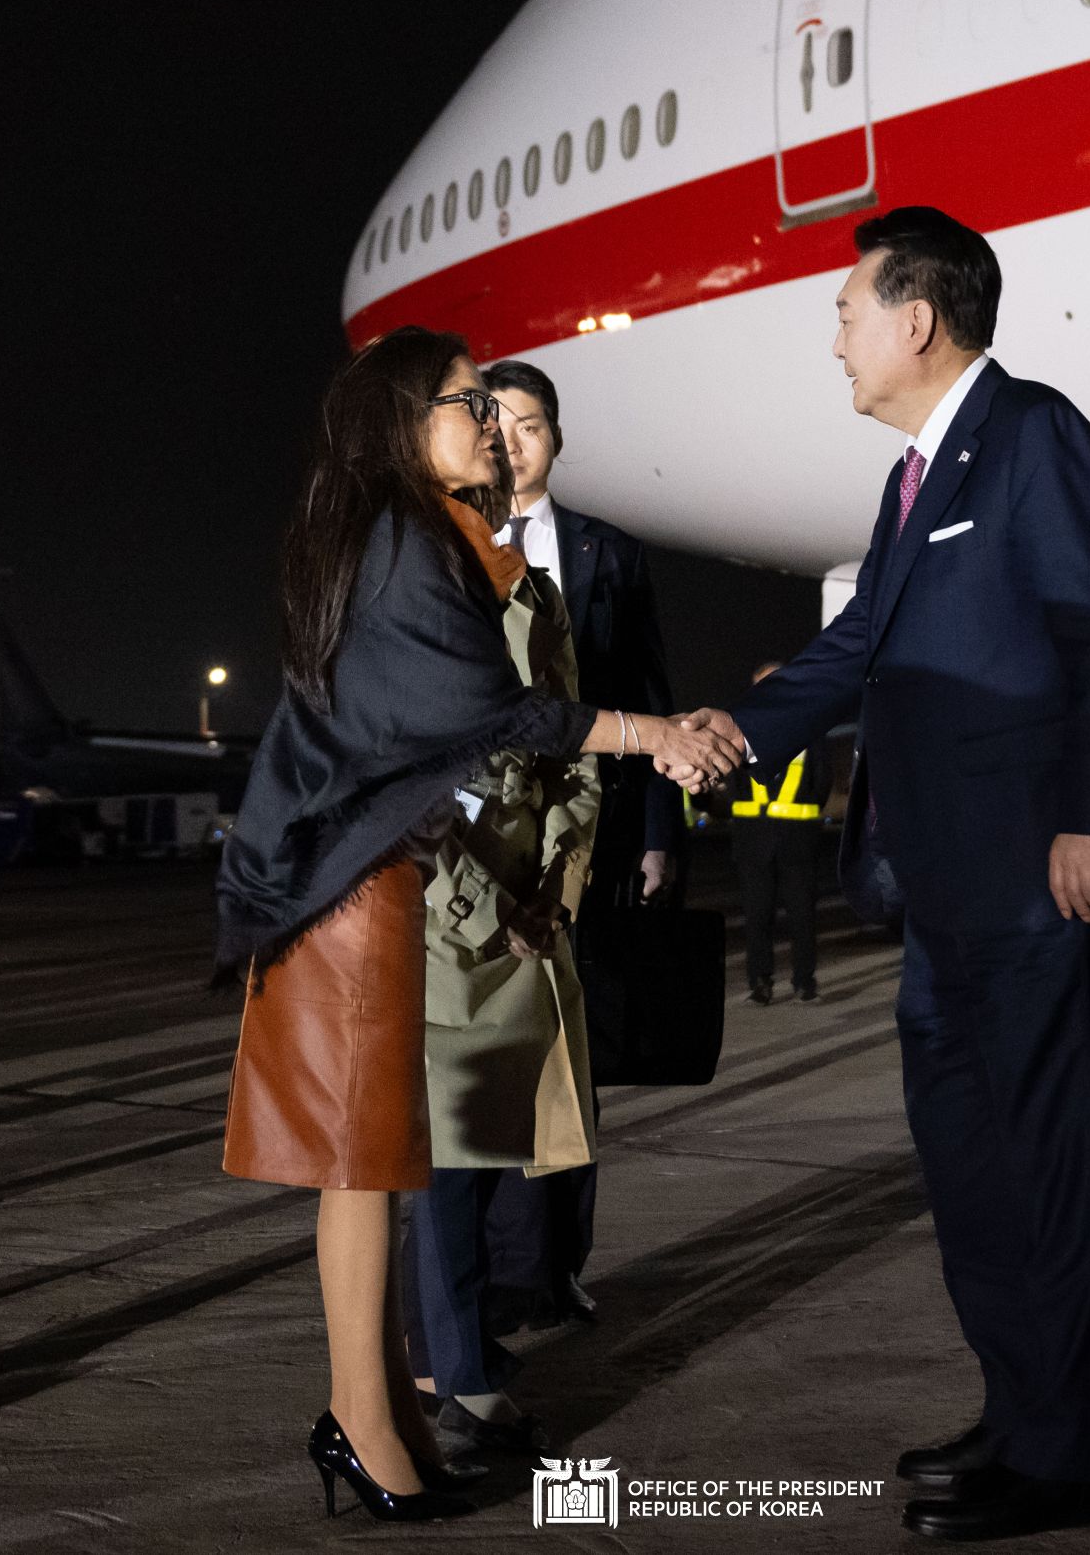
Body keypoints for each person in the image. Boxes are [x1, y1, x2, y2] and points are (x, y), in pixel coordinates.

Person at [684, 208, 1090, 1542]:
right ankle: (1019, 1411)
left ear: (916, 318)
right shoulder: (916, 478)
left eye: (847, 308)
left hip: (1043, 879)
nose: (834, 334)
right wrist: (723, 736)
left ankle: (1067, 1459)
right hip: (943, 898)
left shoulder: (1034, 437)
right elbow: (854, 656)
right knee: (972, 1172)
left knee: (1050, 1167)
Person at [213, 326, 741, 1524]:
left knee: (379, 1167)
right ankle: (363, 1421)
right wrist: (652, 733)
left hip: (363, 878)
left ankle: (382, 1415)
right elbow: (489, 712)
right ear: (404, 423)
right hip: (349, 888)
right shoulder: (402, 542)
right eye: (464, 403)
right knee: (362, 1169)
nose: (488, 425)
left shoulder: (419, 534)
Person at [477, 359, 679, 1328]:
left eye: (529, 423)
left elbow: (650, 691)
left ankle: (558, 1263)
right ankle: (496, 1266)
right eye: (496, 423)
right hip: (484, 848)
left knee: (573, 1060)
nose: (512, 440)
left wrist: (656, 833)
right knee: (494, 1059)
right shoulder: (457, 545)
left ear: (556, 436)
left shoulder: (607, 553)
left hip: (588, 845)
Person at [405, 530, 602, 1463]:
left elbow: (575, 746)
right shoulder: (406, 585)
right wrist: (487, 906)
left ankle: (450, 1351)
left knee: (493, 1150)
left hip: (526, 905)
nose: (498, 445)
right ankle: (461, 1386)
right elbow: (403, 780)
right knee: (448, 1155)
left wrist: (553, 889)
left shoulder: (542, 596)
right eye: (483, 421)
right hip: (440, 912)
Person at [730, 662, 831, 1005]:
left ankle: (804, 981)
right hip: (754, 841)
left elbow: (822, 782)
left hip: (797, 841)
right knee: (758, 917)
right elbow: (734, 785)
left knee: (803, 916)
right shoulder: (739, 729)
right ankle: (761, 981)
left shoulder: (810, 728)